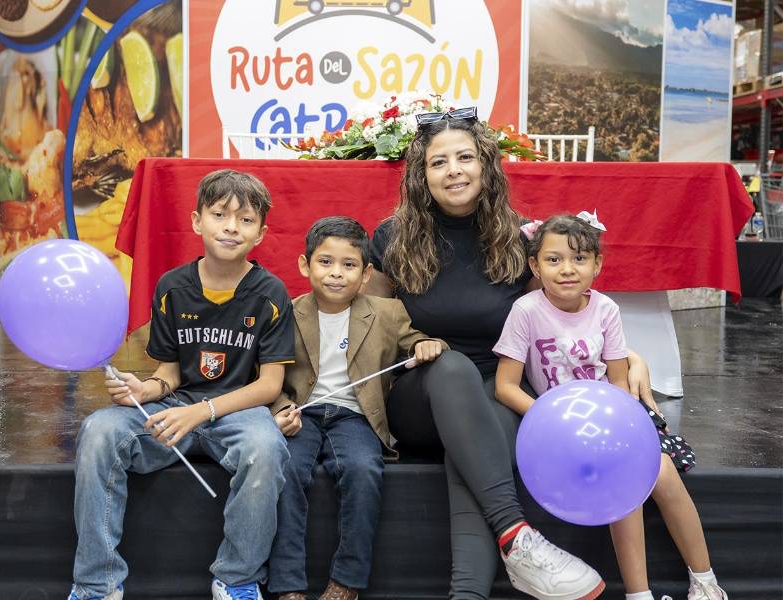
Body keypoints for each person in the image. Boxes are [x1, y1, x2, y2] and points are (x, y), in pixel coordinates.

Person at [362, 108, 661, 599]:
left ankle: (470, 593)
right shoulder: (392, 238)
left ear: (485, 165)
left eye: (465, 157)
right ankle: (517, 533)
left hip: (495, 388)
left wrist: (627, 355)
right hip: (419, 390)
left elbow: (560, 312)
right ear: (422, 175)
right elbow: (371, 326)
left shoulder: (521, 237)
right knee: (452, 368)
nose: (453, 170)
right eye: (439, 162)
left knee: (479, 454)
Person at [68, 169, 294, 600]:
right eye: (220, 214)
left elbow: (269, 386)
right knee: (99, 431)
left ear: (261, 233)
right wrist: (145, 390)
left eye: (245, 220)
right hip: (177, 409)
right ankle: (97, 583)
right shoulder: (172, 287)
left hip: (237, 413)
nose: (231, 227)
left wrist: (203, 412)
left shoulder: (270, 293)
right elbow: (170, 372)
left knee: (266, 449)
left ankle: (237, 578)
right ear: (196, 221)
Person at [494, 214, 726, 600]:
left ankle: (706, 582)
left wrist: (620, 427)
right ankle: (639, 594)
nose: (567, 269)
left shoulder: (605, 310)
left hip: (614, 416)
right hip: (557, 426)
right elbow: (505, 386)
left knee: (662, 475)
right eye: (553, 260)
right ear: (534, 265)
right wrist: (550, 420)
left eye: (580, 259)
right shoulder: (526, 311)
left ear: (597, 264)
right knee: (622, 483)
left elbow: (619, 381)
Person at [267, 216, 447, 600]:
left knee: (363, 469)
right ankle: (287, 584)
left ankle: (347, 580)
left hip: (356, 416)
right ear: (305, 265)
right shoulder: (285, 311)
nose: (336, 274)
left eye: (348, 265)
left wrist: (428, 346)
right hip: (303, 413)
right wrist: (280, 408)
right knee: (287, 469)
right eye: (325, 262)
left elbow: (420, 342)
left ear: (365, 274)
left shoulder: (387, 312)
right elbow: (266, 374)